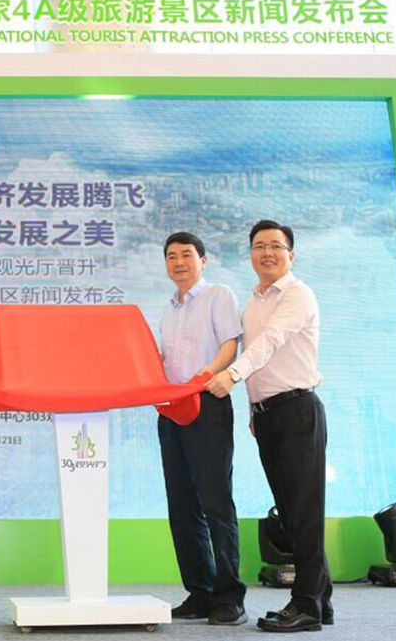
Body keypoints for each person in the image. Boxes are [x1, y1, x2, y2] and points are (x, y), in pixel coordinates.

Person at [206, 219, 332, 633]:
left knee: (305, 513)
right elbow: (260, 360)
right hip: (268, 415)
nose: (267, 253)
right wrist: (253, 410)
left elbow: (271, 341)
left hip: (298, 410)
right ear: (250, 255)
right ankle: (323, 599)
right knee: (291, 513)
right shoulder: (253, 302)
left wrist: (232, 375)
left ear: (290, 254)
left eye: (276, 246)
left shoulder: (298, 294)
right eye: (259, 246)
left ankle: (307, 605)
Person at [156, 232, 247, 626]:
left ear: (203, 260)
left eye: (186, 255)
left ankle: (230, 597)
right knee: (181, 505)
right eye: (171, 256)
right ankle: (200, 591)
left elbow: (230, 344)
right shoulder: (167, 309)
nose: (179, 262)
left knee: (215, 502)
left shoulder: (218, 295)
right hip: (171, 411)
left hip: (207, 402)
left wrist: (206, 374)